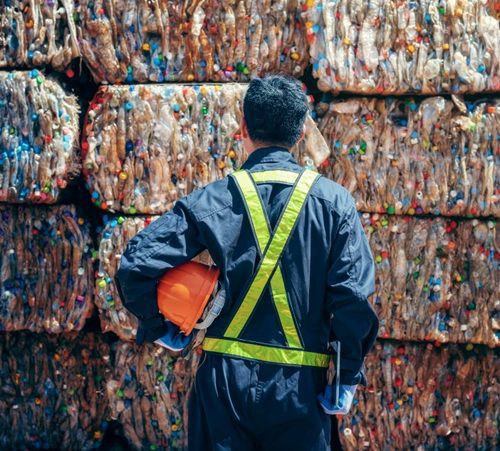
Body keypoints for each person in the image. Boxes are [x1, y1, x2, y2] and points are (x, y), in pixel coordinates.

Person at [115, 75, 379, 451]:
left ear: (242, 127)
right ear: (302, 131)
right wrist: (346, 377)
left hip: (224, 389)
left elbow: (136, 264)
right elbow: (353, 298)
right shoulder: (335, 205)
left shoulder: (214, 199)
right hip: (299, 391)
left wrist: (161, 328)